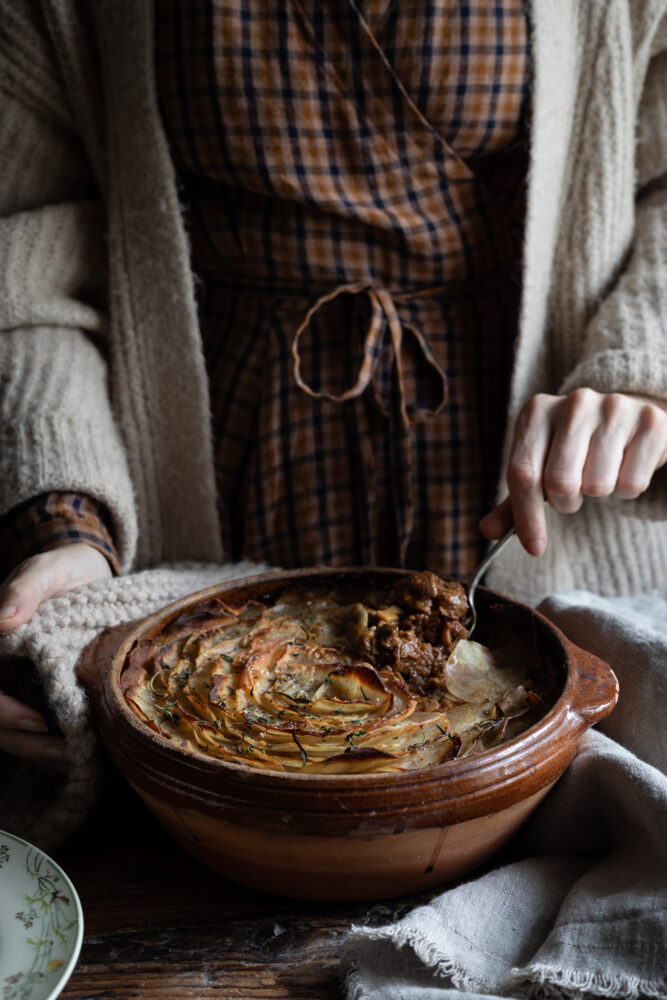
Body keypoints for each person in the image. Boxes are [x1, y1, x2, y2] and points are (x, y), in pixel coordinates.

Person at [1, 1, 666, 771]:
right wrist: (64, 516)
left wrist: (642, 367)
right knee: (220, 740)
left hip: (542, 507)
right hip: (203, 497)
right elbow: (26, 253)